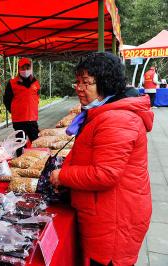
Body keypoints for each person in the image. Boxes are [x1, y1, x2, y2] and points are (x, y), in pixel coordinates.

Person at [50, 52, 153, 266]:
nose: (79, 88)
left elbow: (105, 174)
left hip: (114, 218)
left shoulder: (117, 119)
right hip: (107, 211)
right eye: (77, 82)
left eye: (86, 83)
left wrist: (63, 175)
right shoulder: (104, 111)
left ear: (105, 83)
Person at [3, 57, 40, 154]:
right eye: (23, 68)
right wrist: (15, 111)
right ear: (19, 69)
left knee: (36, 143)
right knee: (19, 145)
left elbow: (37, 98)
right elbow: (6, 100)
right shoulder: (12, 83)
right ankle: (19, 162)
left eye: (27, 68)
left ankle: (38, 162)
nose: (25, 71)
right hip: (19, 120)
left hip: (32, 119)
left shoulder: (35, 82)